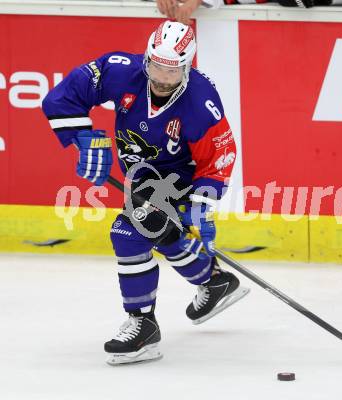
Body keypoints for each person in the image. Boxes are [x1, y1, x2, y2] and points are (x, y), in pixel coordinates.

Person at [42, 21, 249, 365]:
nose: (162, 79)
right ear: (146, 59)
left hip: (180, 178)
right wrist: (83, 138)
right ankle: (214, 282)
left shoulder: (201, 102)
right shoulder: (119, 70)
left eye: (172, 72)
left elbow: (219, 159)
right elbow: (62, 98)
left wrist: (199, 206)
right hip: (141, 177)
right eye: (156, 67)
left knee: (128, 233)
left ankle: (143, 325)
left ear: (187, 67)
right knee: (163, 233)